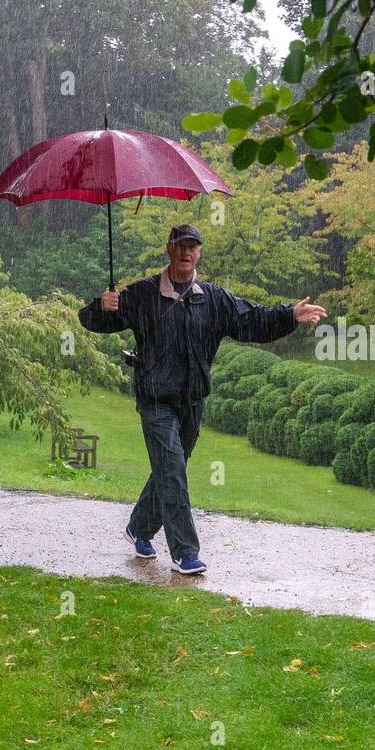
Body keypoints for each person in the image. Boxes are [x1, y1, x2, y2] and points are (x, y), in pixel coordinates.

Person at [78, 223, 327, 574]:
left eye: (193, 246)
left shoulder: (212, 298)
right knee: (173, 469)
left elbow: (251, 320)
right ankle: (185, 553)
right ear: (169, 249)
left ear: (199, 253)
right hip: (155, 400)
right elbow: (93, 322)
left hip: (193, 402)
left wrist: (289, 315)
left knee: (169, 470)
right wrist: (101, 307)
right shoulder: (144, 294)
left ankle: (139, 527)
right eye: (180, 245)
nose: (186, 252)